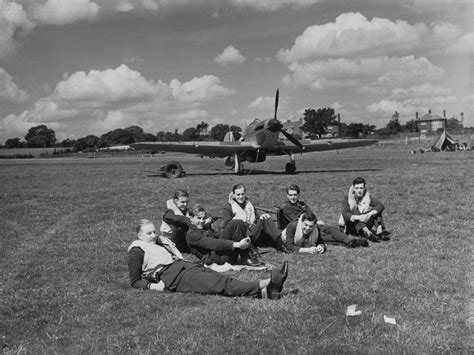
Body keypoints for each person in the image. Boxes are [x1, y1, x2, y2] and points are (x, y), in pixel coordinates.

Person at [127, 219, 289, 299]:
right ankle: (265, 284)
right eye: (149, 234)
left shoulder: (160, 242)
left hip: (184, 267)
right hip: (173, 277)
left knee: (219, 278)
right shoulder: (136, 251)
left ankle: (267, 293)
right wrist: (153, 287)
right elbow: (134, 281)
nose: (154, 235)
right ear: (139, 235)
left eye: (154, 232)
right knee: (219, 284)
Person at [281, 184, 368, 248]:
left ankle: (350, 241)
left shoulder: (301, 204)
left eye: (295, 195)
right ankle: (352, 241)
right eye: (291, 195)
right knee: (327, 237)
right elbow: (299, 222)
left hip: (313, 225)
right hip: (303, 231)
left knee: (332, 229)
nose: (293, 197)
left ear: (298, 195)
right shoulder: (287, 209)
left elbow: (311, 214)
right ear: (287, 196)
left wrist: (316, 221)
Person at [222, 184, 289, 254]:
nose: (241, 197)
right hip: (242, 235)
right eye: (238, 195)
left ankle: (280, 242)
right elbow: (227, 225)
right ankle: (251, 247)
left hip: (254, 232)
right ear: (233, 195)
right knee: (242, 222)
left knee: (265, 217)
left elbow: (256, 218)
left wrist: (261, 217)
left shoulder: (248, 204)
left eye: (242, 194)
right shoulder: (229, 207)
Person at [185, 205, 260, 266]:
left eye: (203, 218)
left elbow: (217, 236)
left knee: (238, 223)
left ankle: (245, 255)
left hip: (223, 254)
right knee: (234, 223)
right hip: (216, 260)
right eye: (198, 218)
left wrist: (239, 235)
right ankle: (245, 255)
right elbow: (212, 243)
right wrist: (237, 244)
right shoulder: (191, 234)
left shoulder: (204, 228)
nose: (202, 221)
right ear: (191, 218)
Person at [339, 177, 389, 242]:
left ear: (364, 188)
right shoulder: (348, 198)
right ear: (353, 188)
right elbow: (345, 214)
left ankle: (379, 232)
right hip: (352, 226)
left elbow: (380, 205)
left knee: (376, 211)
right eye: (357, 188)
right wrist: (359, 217)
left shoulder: (366, 197)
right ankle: (367, 232)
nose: (359, 191)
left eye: (361, 188)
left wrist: (369, 214)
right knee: (354, 210)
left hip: (364, 221)